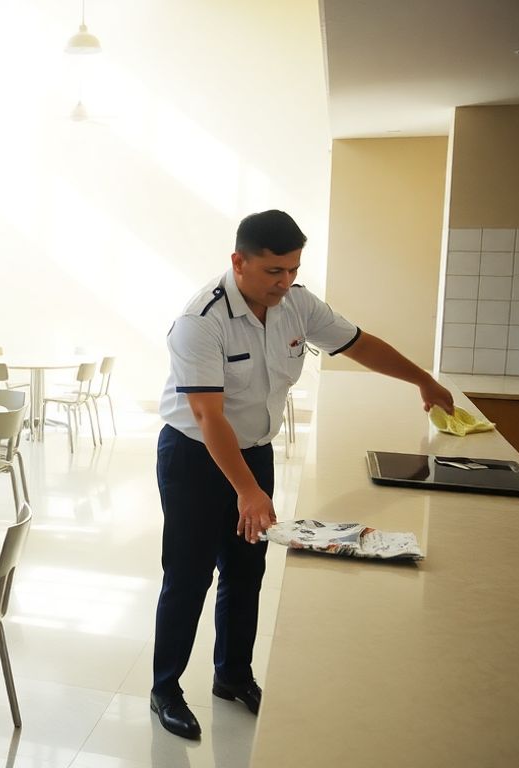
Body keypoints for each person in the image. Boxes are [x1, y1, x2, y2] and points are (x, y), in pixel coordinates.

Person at [150, 209, 453, 740]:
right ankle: (165, 689)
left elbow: (359, 342)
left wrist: (422, 379)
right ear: (238, 262)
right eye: (273, 271)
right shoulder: (200, 321)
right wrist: (246, 490)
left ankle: (233, 676)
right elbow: (206, 414)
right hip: (196, 457)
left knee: (247, 570)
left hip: (254, 451)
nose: (285, 282)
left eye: (292, 269)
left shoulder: (295, 303)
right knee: (190, 574)